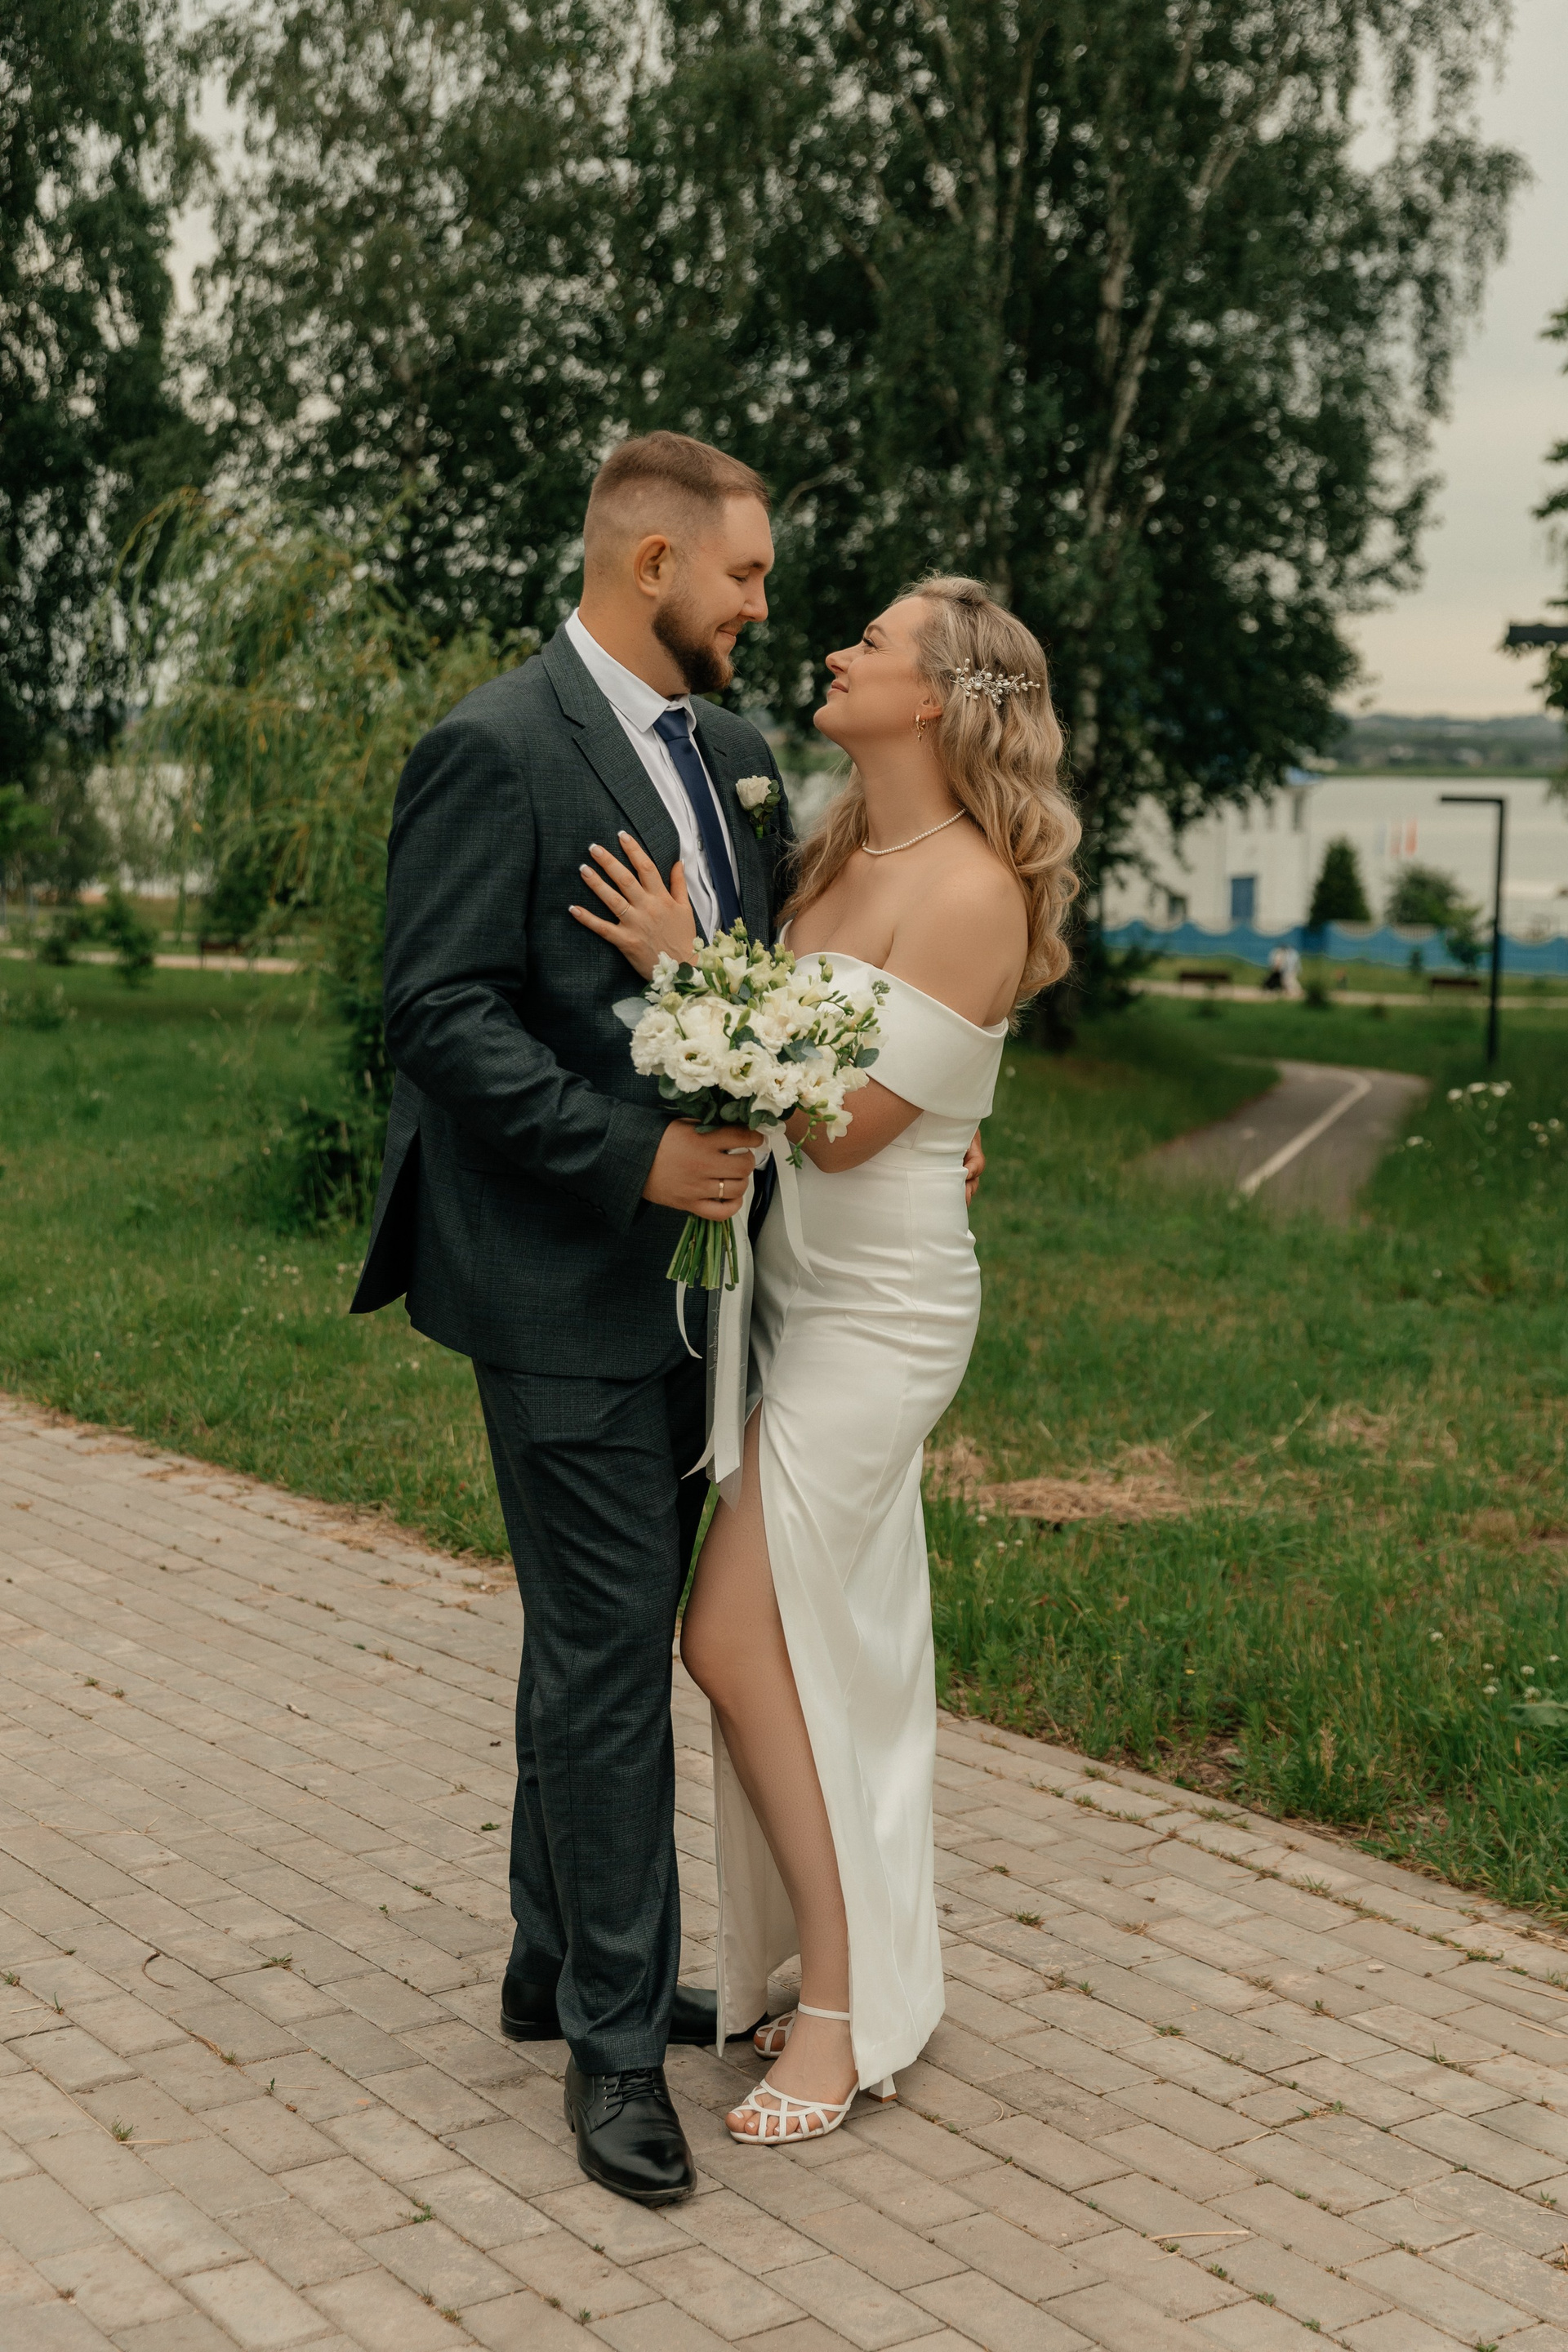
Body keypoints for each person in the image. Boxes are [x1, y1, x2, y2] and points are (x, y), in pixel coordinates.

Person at [350, 432, 797, 2209]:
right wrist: (635, 1160)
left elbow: (756, 991)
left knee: (590, 1637)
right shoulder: (494, 745)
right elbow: (439, 1014)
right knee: (613, 1658)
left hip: (710, 1301)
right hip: (554, 1282)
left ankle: (556, 1962)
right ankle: (617, 2057)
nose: (760, 608)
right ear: (651, 564)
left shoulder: (739, 759)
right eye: (744, 576)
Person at [587, 577, 1079, 2145]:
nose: (836, 650)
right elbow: (860, 1084)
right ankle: (824, 1968)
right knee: (815, 1648)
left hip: (884, 1317)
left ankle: (842, 2012)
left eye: (871, 641)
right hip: (793, 1300)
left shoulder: (976, 887)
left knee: (732, 1641)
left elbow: (851, 1129)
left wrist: (687, 970)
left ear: (934, 697)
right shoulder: (837, 849)